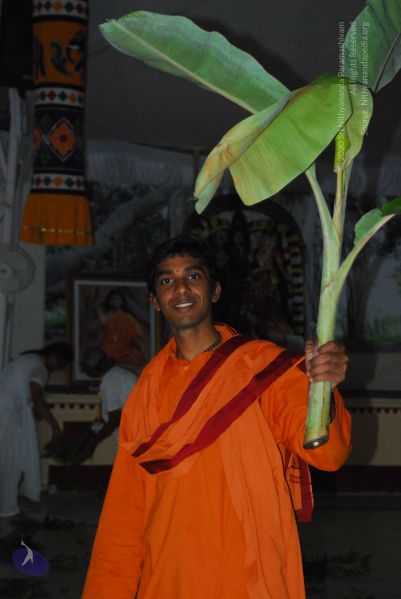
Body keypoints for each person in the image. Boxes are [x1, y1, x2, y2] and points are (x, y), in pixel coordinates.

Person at [82, 237, 351, 599]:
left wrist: (323, 389)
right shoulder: (145, 393)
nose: (181, 288)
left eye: (193, 276)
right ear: (155, 301)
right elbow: (124, 516)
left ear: (214, 290)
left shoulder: (263, 369)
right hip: (169, 579)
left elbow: (327, 454)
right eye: (167, 280)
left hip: (246, 578)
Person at [0, 342, 73, 518]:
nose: (57, 368)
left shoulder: (27, 359)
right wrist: (54, 425)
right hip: (6, 412)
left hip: (6, 409)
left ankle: (8, 505)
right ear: (52, 356)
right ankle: (7, 509)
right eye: (60, 364)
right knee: (10, 461)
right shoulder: (40, 367)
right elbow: (37, 397)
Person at [77, 360, 138, 462]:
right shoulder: (120, 374)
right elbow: (108, 414)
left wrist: (94, 441)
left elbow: (115, 418)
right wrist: (92, 432)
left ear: (94, 368)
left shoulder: (109, 381)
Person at [98, 289, 146, 368]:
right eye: (113, 299)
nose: (116, 301)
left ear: (122, 301)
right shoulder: (105, 317)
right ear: (109, 301)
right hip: (107, 352)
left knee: (135, 355)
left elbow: (137, 337)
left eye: (118, 299)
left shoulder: (128, 318)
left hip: (125, 353)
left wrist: (144, 354)